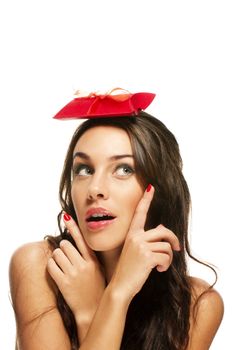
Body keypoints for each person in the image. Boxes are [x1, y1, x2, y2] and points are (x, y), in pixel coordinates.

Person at [9, 89, 224, 350]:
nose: (94, 189)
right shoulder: (39, 266)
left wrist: (102, 305)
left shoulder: (197, 307)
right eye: (84, 169)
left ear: (158, 189)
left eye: (123, 169)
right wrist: (110, 299)